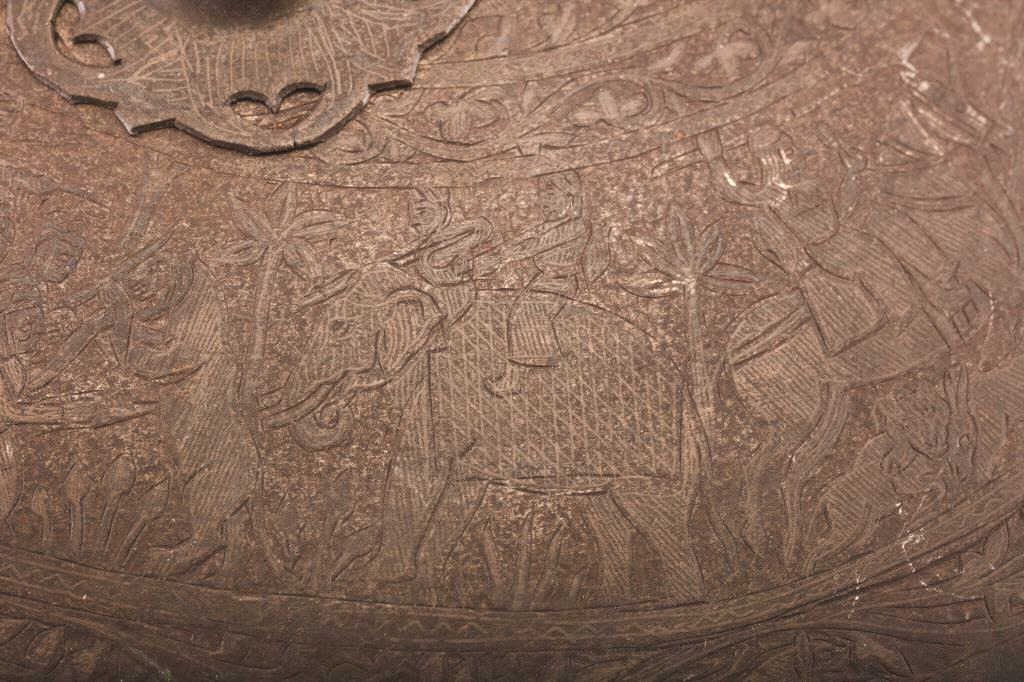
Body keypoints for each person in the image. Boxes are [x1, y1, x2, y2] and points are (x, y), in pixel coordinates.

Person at [485, 170, 590, 397]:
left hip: (560, 282)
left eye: (551, 195)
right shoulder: (551, 224)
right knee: (518, 313)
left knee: (525, 313)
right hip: (544, 280)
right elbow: (527, 238)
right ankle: (526, 371)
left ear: (570, 195)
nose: (544, 202)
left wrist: (503, 257)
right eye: (542, 195)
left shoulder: (575, 226)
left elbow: (536, 246)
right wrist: (499, 251)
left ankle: (520, 377)